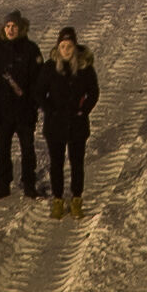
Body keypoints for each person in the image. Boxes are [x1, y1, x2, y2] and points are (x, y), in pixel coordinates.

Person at [0, 10, 44, 199]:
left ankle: (29, 184)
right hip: (3, 110)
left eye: (14, 26)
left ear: (21, 28)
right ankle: (3, 184)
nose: (10, 30)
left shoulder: (31, 49)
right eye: (7, 26)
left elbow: (38, 80)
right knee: (3, 149)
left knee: (28, 149)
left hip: (24, 110)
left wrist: (33, 105)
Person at [40, 23, 99, 213]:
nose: (66, 50)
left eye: (69, 46)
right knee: (56, 163)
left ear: (75, 47)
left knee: (77, 163)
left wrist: (85, 110)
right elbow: (39, 93)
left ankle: (76, 199)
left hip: (77, 124)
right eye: (63, 46)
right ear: (58, 48)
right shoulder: (50, 68)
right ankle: (58, 199)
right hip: (55, 124)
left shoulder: (84, 68)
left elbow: (94, 92)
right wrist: (50, 110)